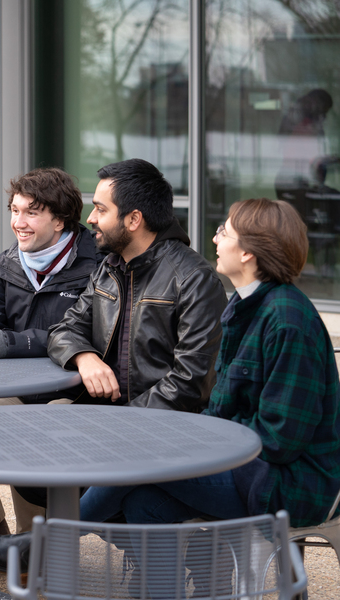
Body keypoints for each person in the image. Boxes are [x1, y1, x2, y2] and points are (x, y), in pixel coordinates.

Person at [0, 158, 227, 575]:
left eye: (101, 209)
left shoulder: (193, 279)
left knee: (94, 475)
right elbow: (64, 330)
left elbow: (189, 382)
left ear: (134, 218)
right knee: (29, 458)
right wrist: (83, 356)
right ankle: (162, 552)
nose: (90, 219)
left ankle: (47, 545)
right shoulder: (110, 268)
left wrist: (118, 429)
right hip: (110, 416)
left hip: (167, 429)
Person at [79, 198, 340, 597]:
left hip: (286, 484)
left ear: (248, 251)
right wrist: (196, 439)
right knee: (144, 500)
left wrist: (200, 443)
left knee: (138, 459)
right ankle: (170, 586)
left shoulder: (289, 321)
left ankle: (40, 543)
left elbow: (280, 439)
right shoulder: (242, 307)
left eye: (224, 232)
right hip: (244, 463)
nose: (215, 238)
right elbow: (220, 408)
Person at [0, 167, 101, 580]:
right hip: (19, 388)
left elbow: (83, 334)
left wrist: (4, 344)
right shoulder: (10, 260)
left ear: (60, 220)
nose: (18, 222)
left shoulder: (96, 263)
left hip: (75, 390)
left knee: (23, 434)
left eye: (31, 213)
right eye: (14, 211)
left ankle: (33, 550)